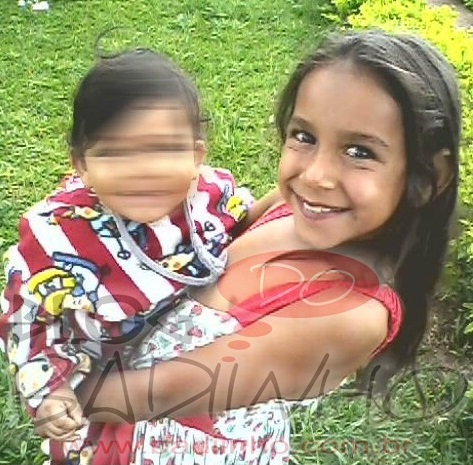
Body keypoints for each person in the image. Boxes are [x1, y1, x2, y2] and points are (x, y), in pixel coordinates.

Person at [37, 29, 460, 465]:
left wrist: (45, 379)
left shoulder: (351, 314)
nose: (315, 175)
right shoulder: (290, 208)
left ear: (430, 175)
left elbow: (149, 396)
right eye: (304, 136)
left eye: (359, 152)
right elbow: (194, 242)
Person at [0, 48, 278, 458]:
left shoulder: (209, 196)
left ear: (196, 156)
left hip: (187, 372)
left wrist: (282, 199)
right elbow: (24, 318)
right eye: (115, 152)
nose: (143, 171)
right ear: (81, 163)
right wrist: (52, 390)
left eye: (164, 149)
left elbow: (242, 227)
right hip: (104, 388)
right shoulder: (58, 236)